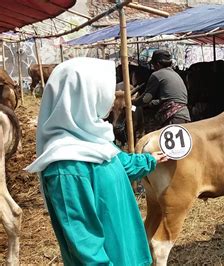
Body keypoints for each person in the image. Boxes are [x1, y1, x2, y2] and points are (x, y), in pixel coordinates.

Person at [25, 57, 168, 265]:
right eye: (105, 91)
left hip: (129, 254)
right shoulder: (65, 168)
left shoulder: (95, 142)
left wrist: (150, 160)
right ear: (84, 95)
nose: (111, 98)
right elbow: (85, 247)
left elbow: (122, 164)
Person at [133, 49, 190, 132]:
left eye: (153, 65)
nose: (153, 68)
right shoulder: (175, 74)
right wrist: (152, 103)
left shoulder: (157, 75)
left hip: (173, 116)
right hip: (184, 115)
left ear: (158, 64)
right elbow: (169, 99)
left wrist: (132, 102)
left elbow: (146, 99)